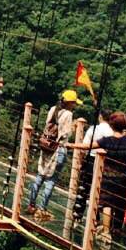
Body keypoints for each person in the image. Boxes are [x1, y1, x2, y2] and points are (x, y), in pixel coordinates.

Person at [26, 90, 77, 219]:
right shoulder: (68, 114)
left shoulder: (53, 109)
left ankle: (31, 205)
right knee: (51, 180)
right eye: (74, 103)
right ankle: (42, 209)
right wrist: (73, 129)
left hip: (46, 146)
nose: (75, 105)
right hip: (58, 149)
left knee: (40, 175)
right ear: (70, 103)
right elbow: (66, 134)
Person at [95, 111, 126, 242]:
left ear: (111, 124)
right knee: (119, 203)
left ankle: (106, 232)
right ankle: (117, 230)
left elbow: (88, 146)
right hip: (122, 178)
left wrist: (72, 145)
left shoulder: (106, 140)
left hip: (107, 176)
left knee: (107, 204)